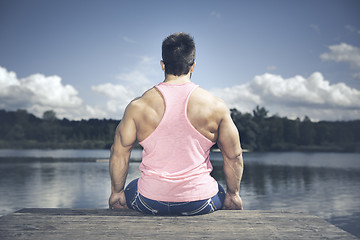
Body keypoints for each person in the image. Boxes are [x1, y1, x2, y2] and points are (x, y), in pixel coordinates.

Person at [109, 32, 243, 215]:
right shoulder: (216, 106)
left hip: (150, 201)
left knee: (133, 187)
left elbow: (119, 152)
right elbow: (233, 156)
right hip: (200, 202)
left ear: (163, 65)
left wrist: (117, 193)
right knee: (218, 190)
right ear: (193, 66)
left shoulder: (137, 106)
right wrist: (233, 195)